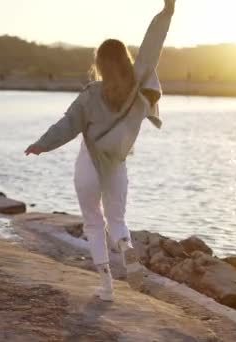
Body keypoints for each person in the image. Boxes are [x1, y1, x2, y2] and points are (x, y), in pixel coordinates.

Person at [25, 0, 175, 302]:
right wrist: (167, 11)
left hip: (89, 166)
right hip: (116, 164)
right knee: (116, 220)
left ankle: (106, 287)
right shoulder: (138, 82)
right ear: (125, 59)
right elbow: (153, 43)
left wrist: (41, 144)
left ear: (99, 63)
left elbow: (67, 125)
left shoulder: (91, 94)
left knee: (93, 222)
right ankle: (125, 247)